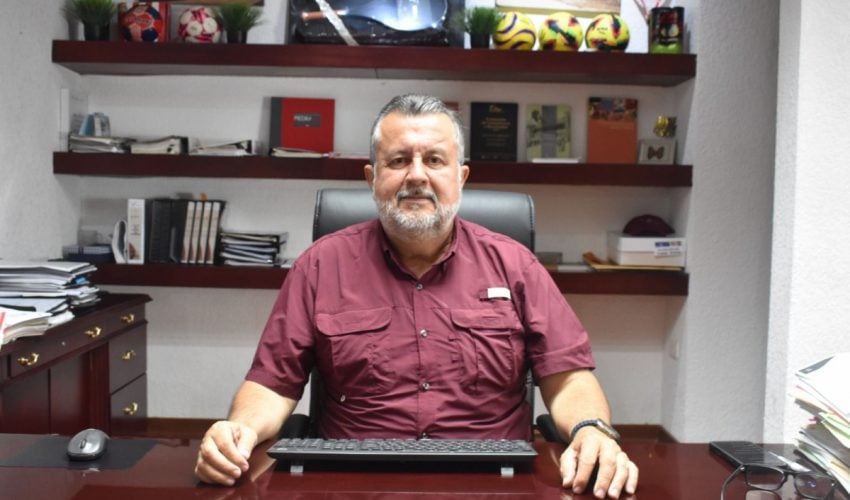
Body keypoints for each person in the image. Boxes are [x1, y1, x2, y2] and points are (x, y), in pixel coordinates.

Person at [195, 94, 639, 498]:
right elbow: (272, 384)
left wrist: (591, 429)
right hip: (352, 482)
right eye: (398, 160)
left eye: (434, 160)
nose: (417, 175)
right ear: (372, 178)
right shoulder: (319, 266)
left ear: (461, 178)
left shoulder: (515, 265)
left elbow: (569, 378)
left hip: (492, 483)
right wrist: (238, 431)